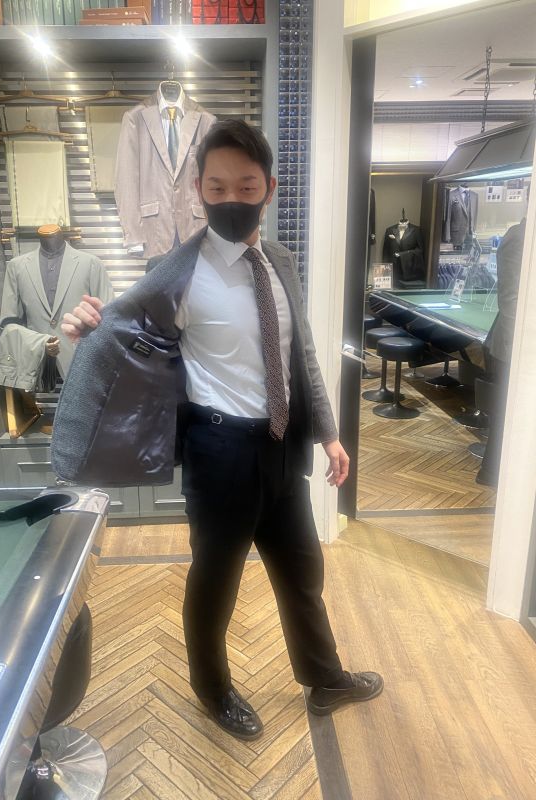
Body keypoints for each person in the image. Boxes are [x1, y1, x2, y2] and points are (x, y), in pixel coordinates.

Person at [60, 120, 383, 740]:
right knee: (216, 579)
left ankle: (324, 679)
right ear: (198, 192)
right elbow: (116, 333)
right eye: (216, 187)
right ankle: (212, 690)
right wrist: (83, 327)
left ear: (269, 189)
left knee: (303, 572)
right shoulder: (175, 271)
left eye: (246, 186)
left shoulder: (280, 260)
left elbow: (301, 354)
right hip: (220, 452)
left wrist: (330, 435)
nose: (231, 199)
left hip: (283, 448)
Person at [478, 207, 527, 487]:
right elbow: (510, 300)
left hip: (516, 343)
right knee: (504, 416)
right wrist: (517, 351)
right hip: (512, 345)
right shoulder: (519, 237)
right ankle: (494, 475)